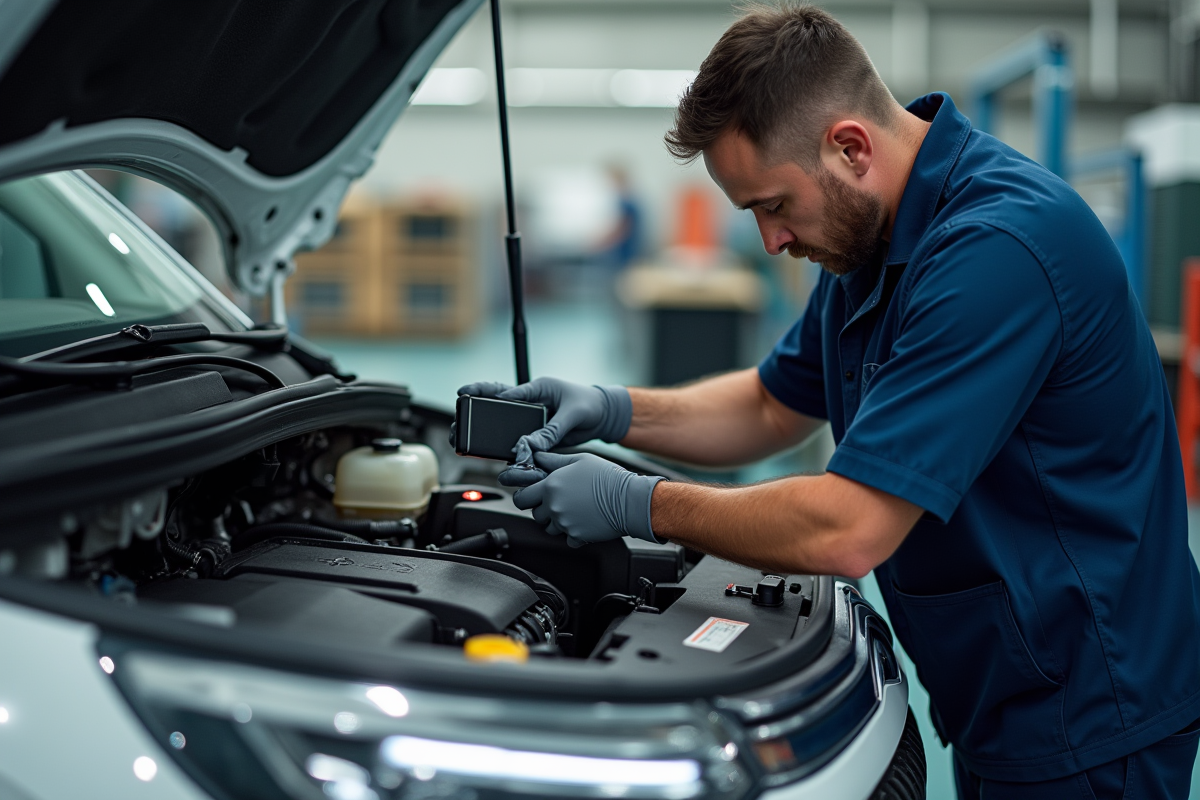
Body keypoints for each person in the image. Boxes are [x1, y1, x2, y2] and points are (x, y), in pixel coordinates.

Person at [460, 4, 1200, 797]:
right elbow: (771, 405)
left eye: (774, 204)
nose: (771, 240)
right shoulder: (871, 242)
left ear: (850, 147)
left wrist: (636, 502)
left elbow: (849, 529)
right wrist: (613, 409)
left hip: (1092, 706)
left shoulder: (996, 252)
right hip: (1008, 686)